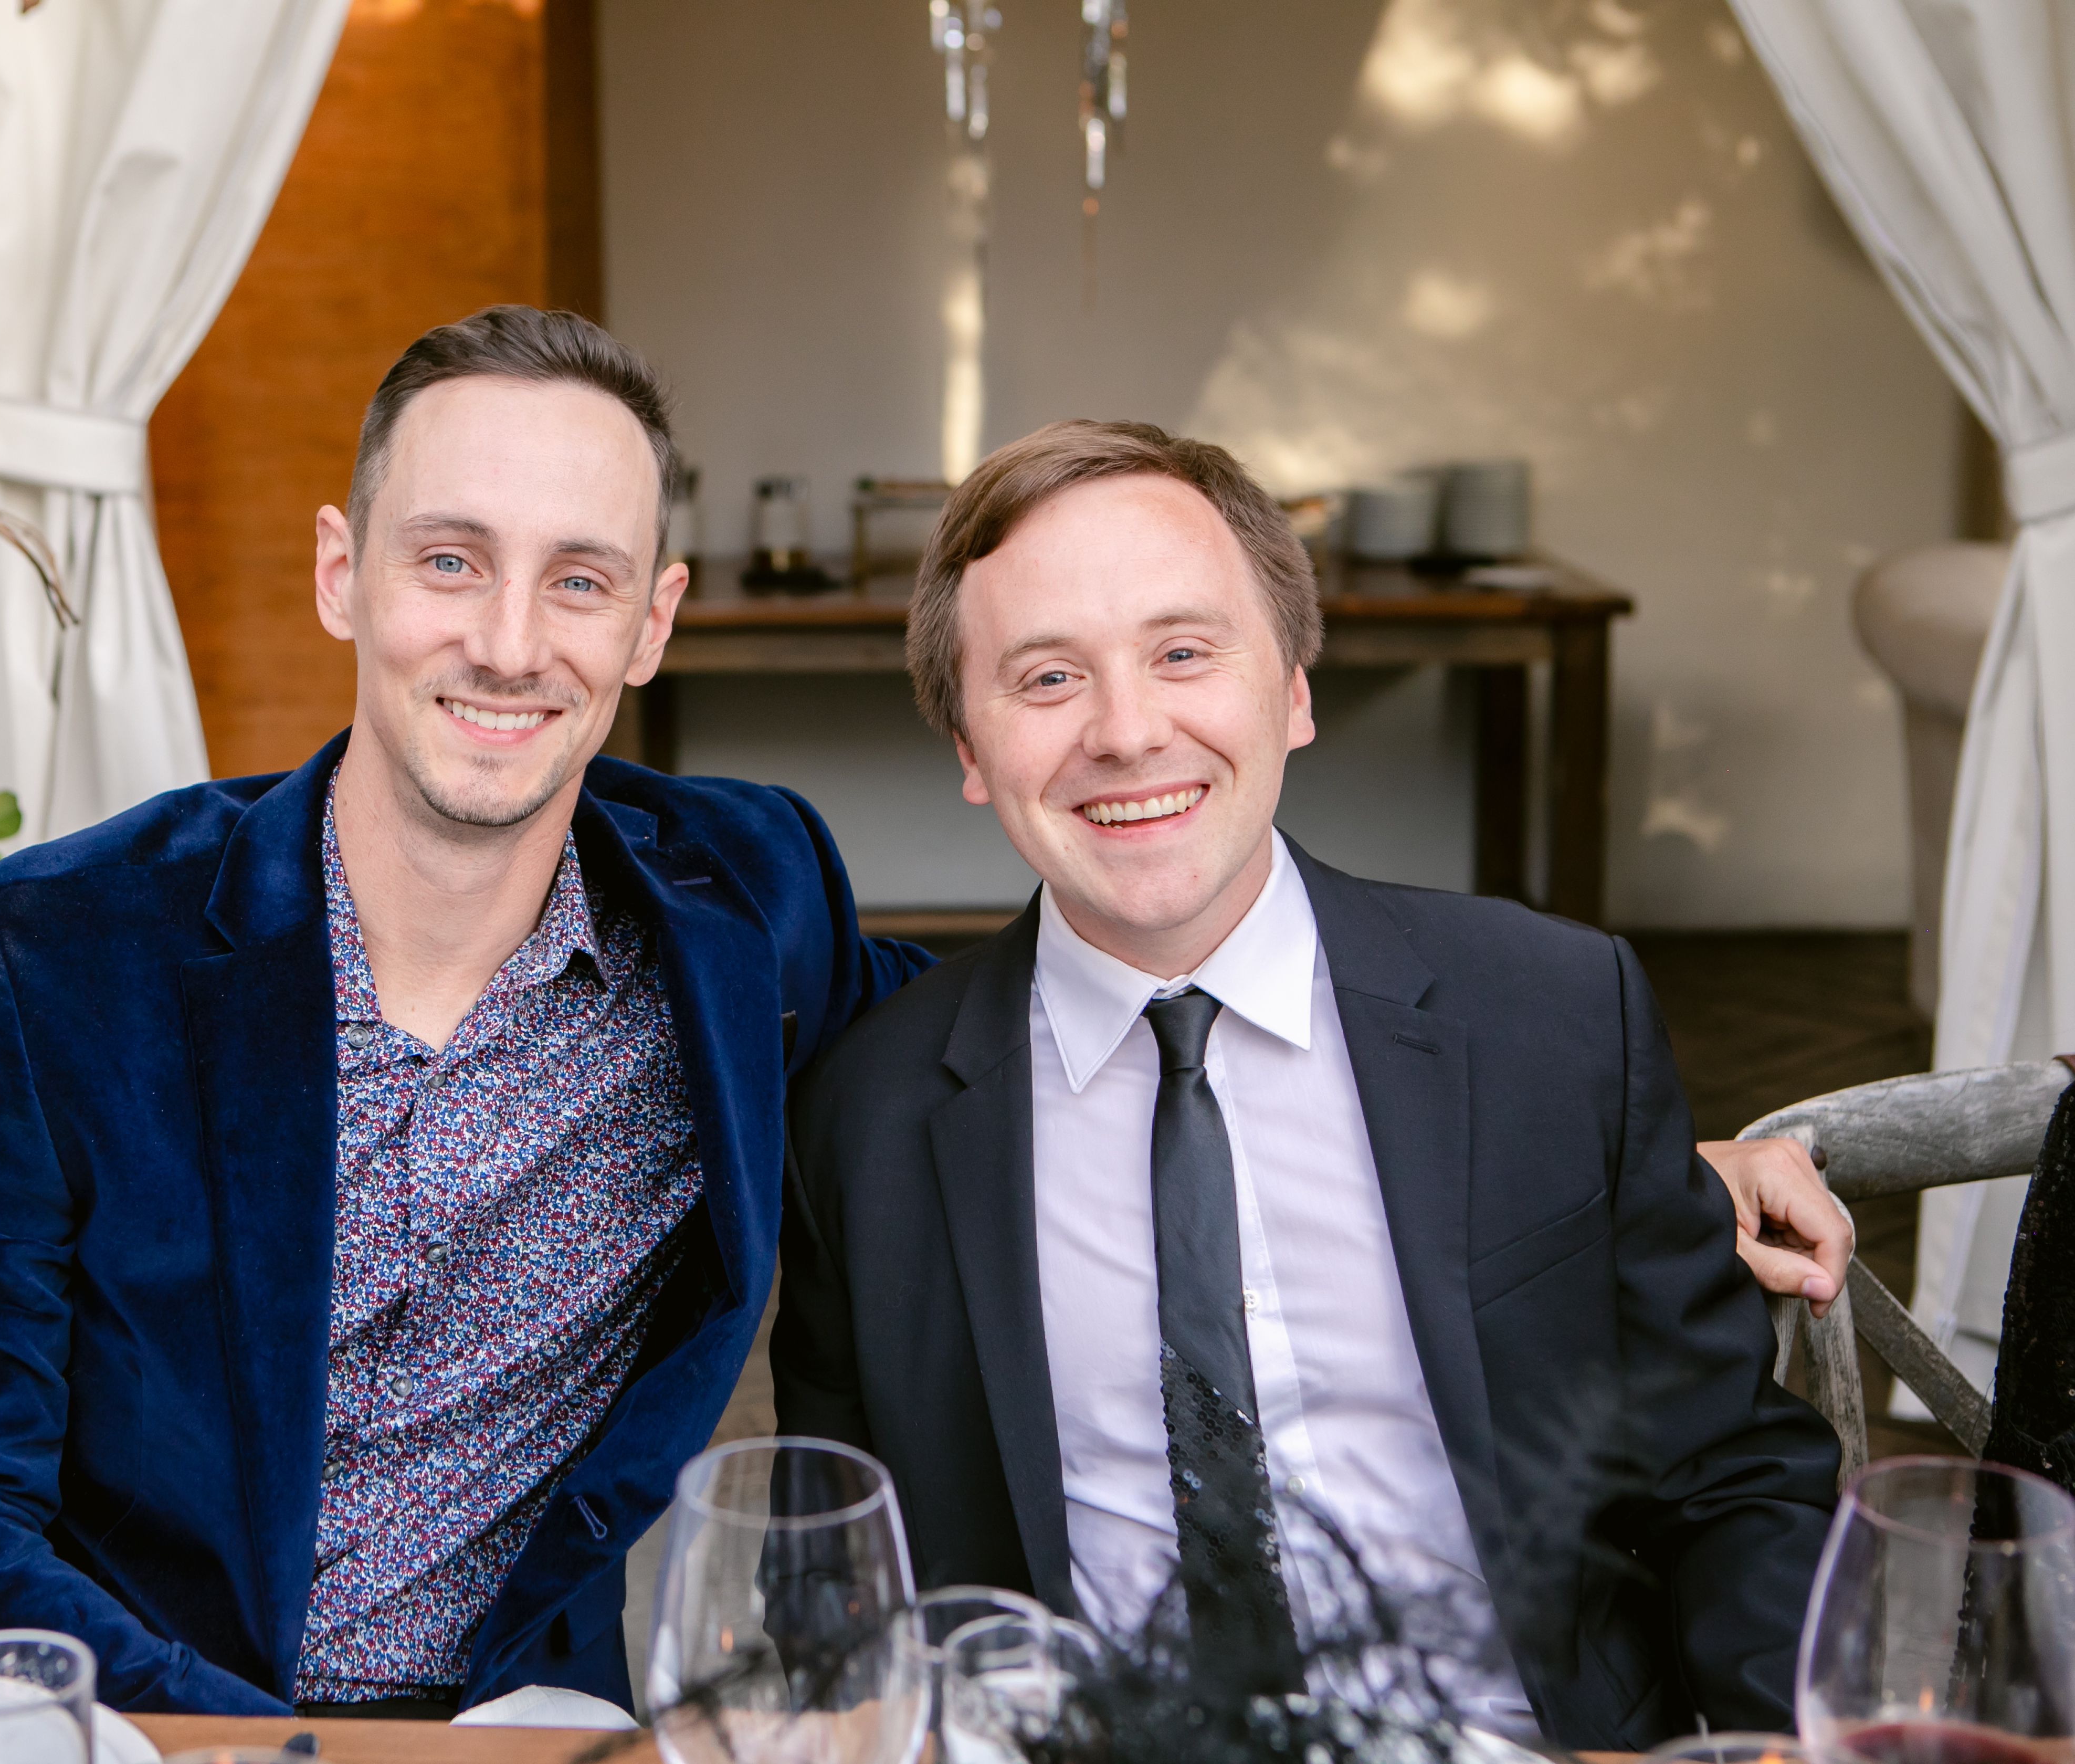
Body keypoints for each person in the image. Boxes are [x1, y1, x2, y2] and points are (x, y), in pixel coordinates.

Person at [0, 307, 922, 1717]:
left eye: (580, 582)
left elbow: (989, 1058)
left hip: (514, 1736)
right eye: (451, 562)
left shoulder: (747, 910)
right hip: (123, 1735)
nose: (510, 644)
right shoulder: (44, 965)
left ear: (652, 624)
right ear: (344, 573)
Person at [772, 420, 1842, 1749]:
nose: (1128, 731)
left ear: (1292, 689)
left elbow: (1736, 1483)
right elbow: (832, 1584)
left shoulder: (1555, 1024)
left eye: (1183, 653)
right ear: (971, 748)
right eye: (1047, 678)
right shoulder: (865, 1121)